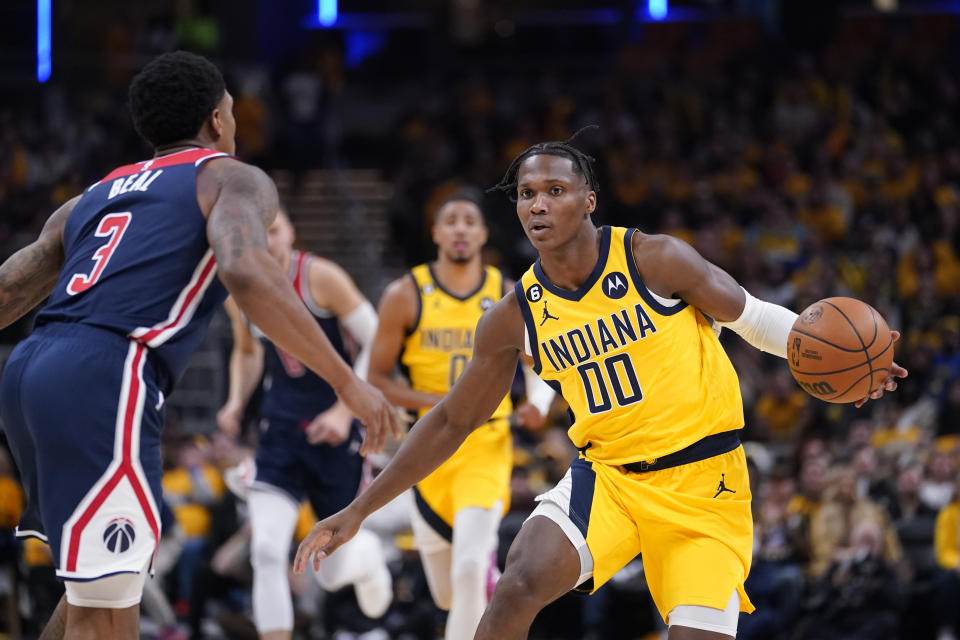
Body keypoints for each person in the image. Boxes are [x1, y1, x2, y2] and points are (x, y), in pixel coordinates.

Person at [297, 132, 908, 640]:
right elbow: (454, 420)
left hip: (704, 484)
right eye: (527, 194)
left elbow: (752, 318)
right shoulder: (513, 316)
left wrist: (849, 358)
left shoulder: (656, 259)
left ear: (588, 200)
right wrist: (359, 509)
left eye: (554, 192)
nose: (537, 205)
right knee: (518, 580)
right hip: (609, 479)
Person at [0, 51, 396, 640]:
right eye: (233, 114)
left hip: (31, 367)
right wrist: (346, 382)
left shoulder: (94, 194)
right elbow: (247, 271)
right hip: (108, 371)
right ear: (217, 120)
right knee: (105, 609)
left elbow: (11, 286)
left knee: (101, 587)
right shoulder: (229, 176)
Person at [367, 191, 552, 639]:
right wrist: (443, 406)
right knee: (448, 594)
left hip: (486, 447)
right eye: (451, 221)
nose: (461, 229)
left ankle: (480, 579)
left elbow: (539, 363)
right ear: (436, 233)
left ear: (484, 234)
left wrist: (537, 404)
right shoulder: (405, 294)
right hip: (427, 453)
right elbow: (377, 379)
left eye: (470, 221)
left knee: (470, 567)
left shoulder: (507, 293)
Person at [217, 209, 392, 640]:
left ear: (291, 232)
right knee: (265, 551)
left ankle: (367, 556)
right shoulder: (239, 288)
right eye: (257, 235)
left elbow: (379, 342)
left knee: (330, 573)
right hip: (281, 429)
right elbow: (247, 350)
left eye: (274, 231)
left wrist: (344, 409)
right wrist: (236, 400)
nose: (268, 242)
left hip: (339, 433)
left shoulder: (322, 277)